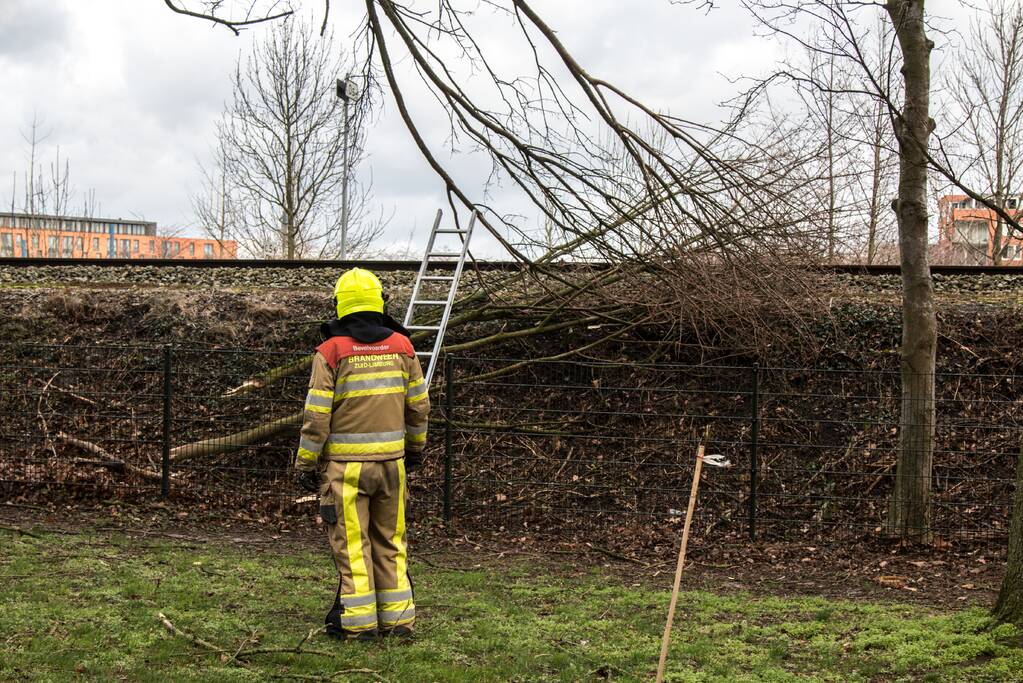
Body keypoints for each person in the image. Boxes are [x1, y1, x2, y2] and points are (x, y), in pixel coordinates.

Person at [294, 268, 429, 640]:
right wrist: (415, 451)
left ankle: (360, 627)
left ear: (340, 306)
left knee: (354, 548)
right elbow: (419, 407)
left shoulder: (331, 351)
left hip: (346, 471)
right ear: (380, 302)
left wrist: (305, 462)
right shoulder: (403, 347)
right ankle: (399, 621)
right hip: (392, 466)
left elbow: (317, 414)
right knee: (391, 543)